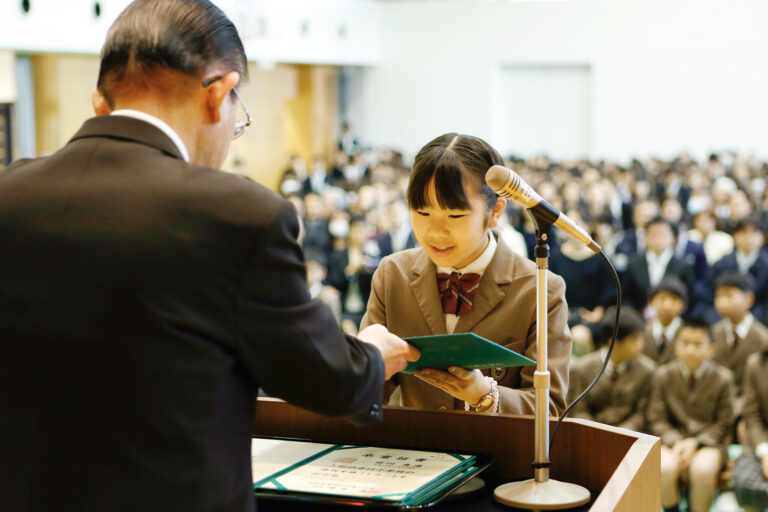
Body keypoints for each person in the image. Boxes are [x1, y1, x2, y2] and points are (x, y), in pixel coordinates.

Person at [0, 1, 418, 511]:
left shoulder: (11, 192)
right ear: (219, 93)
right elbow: (325, 379)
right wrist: (372, 354)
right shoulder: (238, 213)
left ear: (101, 98)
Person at [360, 133, 572, 415]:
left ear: (495, 211)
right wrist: (360, 362)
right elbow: (369, 393)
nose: (435, 232)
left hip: (499, 455)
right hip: (417, 452)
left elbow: (550, 408)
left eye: (455, 216)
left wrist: (483, 393)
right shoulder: (393, 275)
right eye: (422, 213)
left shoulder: (540, 290)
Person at [647, 319, 735, 512]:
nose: (690, 349)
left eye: (697, 344)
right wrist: (677, 441)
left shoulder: (723, 378)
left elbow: (724, 422)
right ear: (676, 346)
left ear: (711, 349)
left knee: (702, 469)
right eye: (685, 343)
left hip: (709, 444)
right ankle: (672, 509)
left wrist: (696, 443)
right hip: (671, 441)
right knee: (665, 467)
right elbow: (656, 417)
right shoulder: (663, 375)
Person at [567, 306, 655, 432]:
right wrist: (596, 432)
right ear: (613, 342)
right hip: (588, 435)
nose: (641, 344)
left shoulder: (647, 370)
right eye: (634, 340)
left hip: (629, 437)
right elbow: (578, 409)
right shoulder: (581, 369)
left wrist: (621, 433)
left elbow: (642, 413)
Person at [733, 347, 768, 510]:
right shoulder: (756, 363)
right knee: (746, 486)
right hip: (759, 443)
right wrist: (765, 452)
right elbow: (752, 416)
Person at [643, 277, 688, 365]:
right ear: (651, 301)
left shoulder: (688, 333)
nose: (667, 305)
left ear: (683, 305)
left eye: (674, 299)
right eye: (662, 298)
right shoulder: (642, 332)